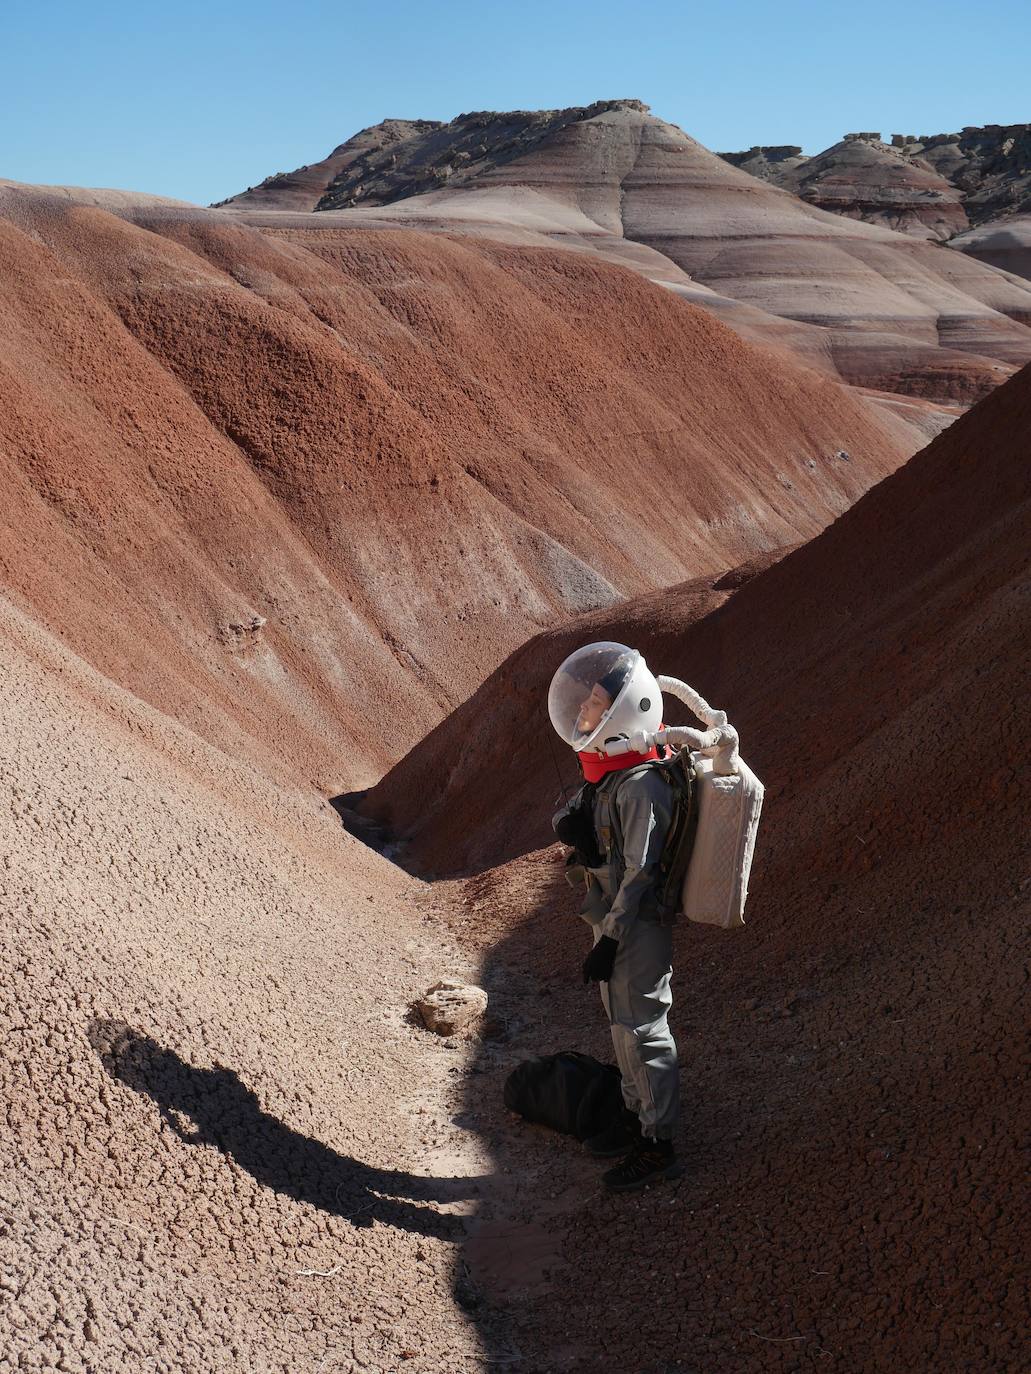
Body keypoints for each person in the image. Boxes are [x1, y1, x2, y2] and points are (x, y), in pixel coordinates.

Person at [549, 642, 684, 1191]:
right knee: (622, 1024)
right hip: (614, 921)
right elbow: (592, 823)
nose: (583, 711)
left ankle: (657, 1144)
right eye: (586, 702)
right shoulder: (614, 774)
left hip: (635, 924)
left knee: (643, 1028)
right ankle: (636, 1114)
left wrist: (610, 939)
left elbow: (641, 873)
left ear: (622, 718)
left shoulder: (642, 787)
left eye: (595, 705)